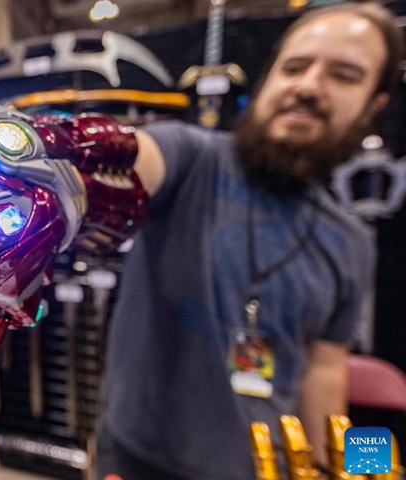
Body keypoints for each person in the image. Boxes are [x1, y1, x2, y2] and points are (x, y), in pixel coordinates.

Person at [96, 2, 404, 479]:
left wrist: (341, 469)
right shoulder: (193, 157)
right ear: (269, 79)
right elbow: (129, 161)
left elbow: (324, 371)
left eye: (343, 75)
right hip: (136, 458)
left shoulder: (353, 243)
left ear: (374, 105)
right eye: (294, 67)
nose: (307, 87)